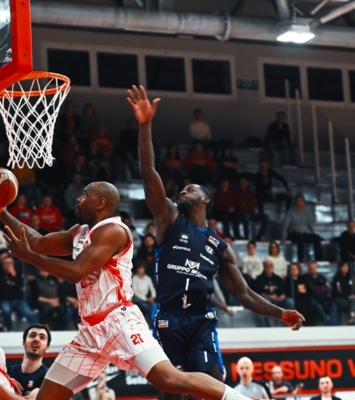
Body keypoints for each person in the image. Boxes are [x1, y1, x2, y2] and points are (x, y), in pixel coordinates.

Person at [0, 179, 286, 400]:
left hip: (119, 321)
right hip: (89, 330)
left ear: (100, 203)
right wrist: (0, 210)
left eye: (85, 194)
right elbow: (36, 241)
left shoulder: (114, 231)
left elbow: (76, 270)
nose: (78, 199)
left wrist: (29, 257)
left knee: (169, 379)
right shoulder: (80, 232)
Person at [128, 85, 302, 400]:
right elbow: (148, 171)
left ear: (205, 199)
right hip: (168, 316)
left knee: (214, 382)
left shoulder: (220, 248)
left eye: (191, 189)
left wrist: (281, 313)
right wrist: (145, 126)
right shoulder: (169, 219)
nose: (183, 190)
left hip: (201, 319)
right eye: (182, 189)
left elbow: (244, 295)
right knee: (170, 390)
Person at [0, 255, 38, 331]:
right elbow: (2, 288)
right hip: (5, 299)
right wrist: (16, 288)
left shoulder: (17, 272)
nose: (9, 265)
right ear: (3, 264)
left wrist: (13, 274)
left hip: (18, 299)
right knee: (6, 311)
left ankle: (38, 328)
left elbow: (22, 286)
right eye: (7, 263)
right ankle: (9, 330)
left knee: (29, 313)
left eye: (10, 263)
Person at [8, 324, 51, 398]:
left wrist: (1, 386)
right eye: (32, 335)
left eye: (42, 337)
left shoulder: (47, 379)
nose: (36, 339)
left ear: (47, 348)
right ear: (23, 343)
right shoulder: (7, 372)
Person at [282, 194, 323, 262]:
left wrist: (313, 234)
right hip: (293, 234)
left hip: (304, 233)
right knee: (300, 238)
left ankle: (319, 260)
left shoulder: (307, 211)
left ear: (304, 202)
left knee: (317, 238)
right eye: (298, 201)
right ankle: (301, 260)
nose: (299, 203)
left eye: (301, 201)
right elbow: (285, 225)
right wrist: (284, 237)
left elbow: (310, 224)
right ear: (295, 202)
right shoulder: (290, 211)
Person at [253, 260, 294, 326]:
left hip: (278, 299)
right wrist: (270, 296)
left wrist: (281, 297)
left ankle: (287, 322)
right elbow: (259, 293)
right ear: (264, 267)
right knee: (266, 301)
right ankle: (268, 324)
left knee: (290, 301)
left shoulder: (277, 278)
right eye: (267, 266)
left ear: (273, 267)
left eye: (270, 265)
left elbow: (283, 292)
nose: (269, 267)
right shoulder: (259, 278)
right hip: (268, 300)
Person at [303, 261, 337, 326]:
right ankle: (327, 324)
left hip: (323, 297)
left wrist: (316, 288)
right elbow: (309, 289)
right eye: (311, 268)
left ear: (316, 268)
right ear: (308, 269)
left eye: (314, 267)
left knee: (334, 305)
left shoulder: (321, 277)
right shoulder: (305, 277)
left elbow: (326, 289)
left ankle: (332, 323)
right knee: (319, 306)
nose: (313, 269)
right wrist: (320, 289)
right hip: (311, 297)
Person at [131, 260, 156, 325]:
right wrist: (145, 299)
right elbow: (135, 292)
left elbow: (152, 289)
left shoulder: (148, 278)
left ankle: (152, 325)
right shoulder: (134, 278)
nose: (140, 270)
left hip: (147, 300)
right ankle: (150, 325)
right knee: (147, 308)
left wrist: (153, 296)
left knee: (154, 305)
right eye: (139, 268)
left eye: (142, 268)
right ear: (137, 269)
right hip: (137, 300)